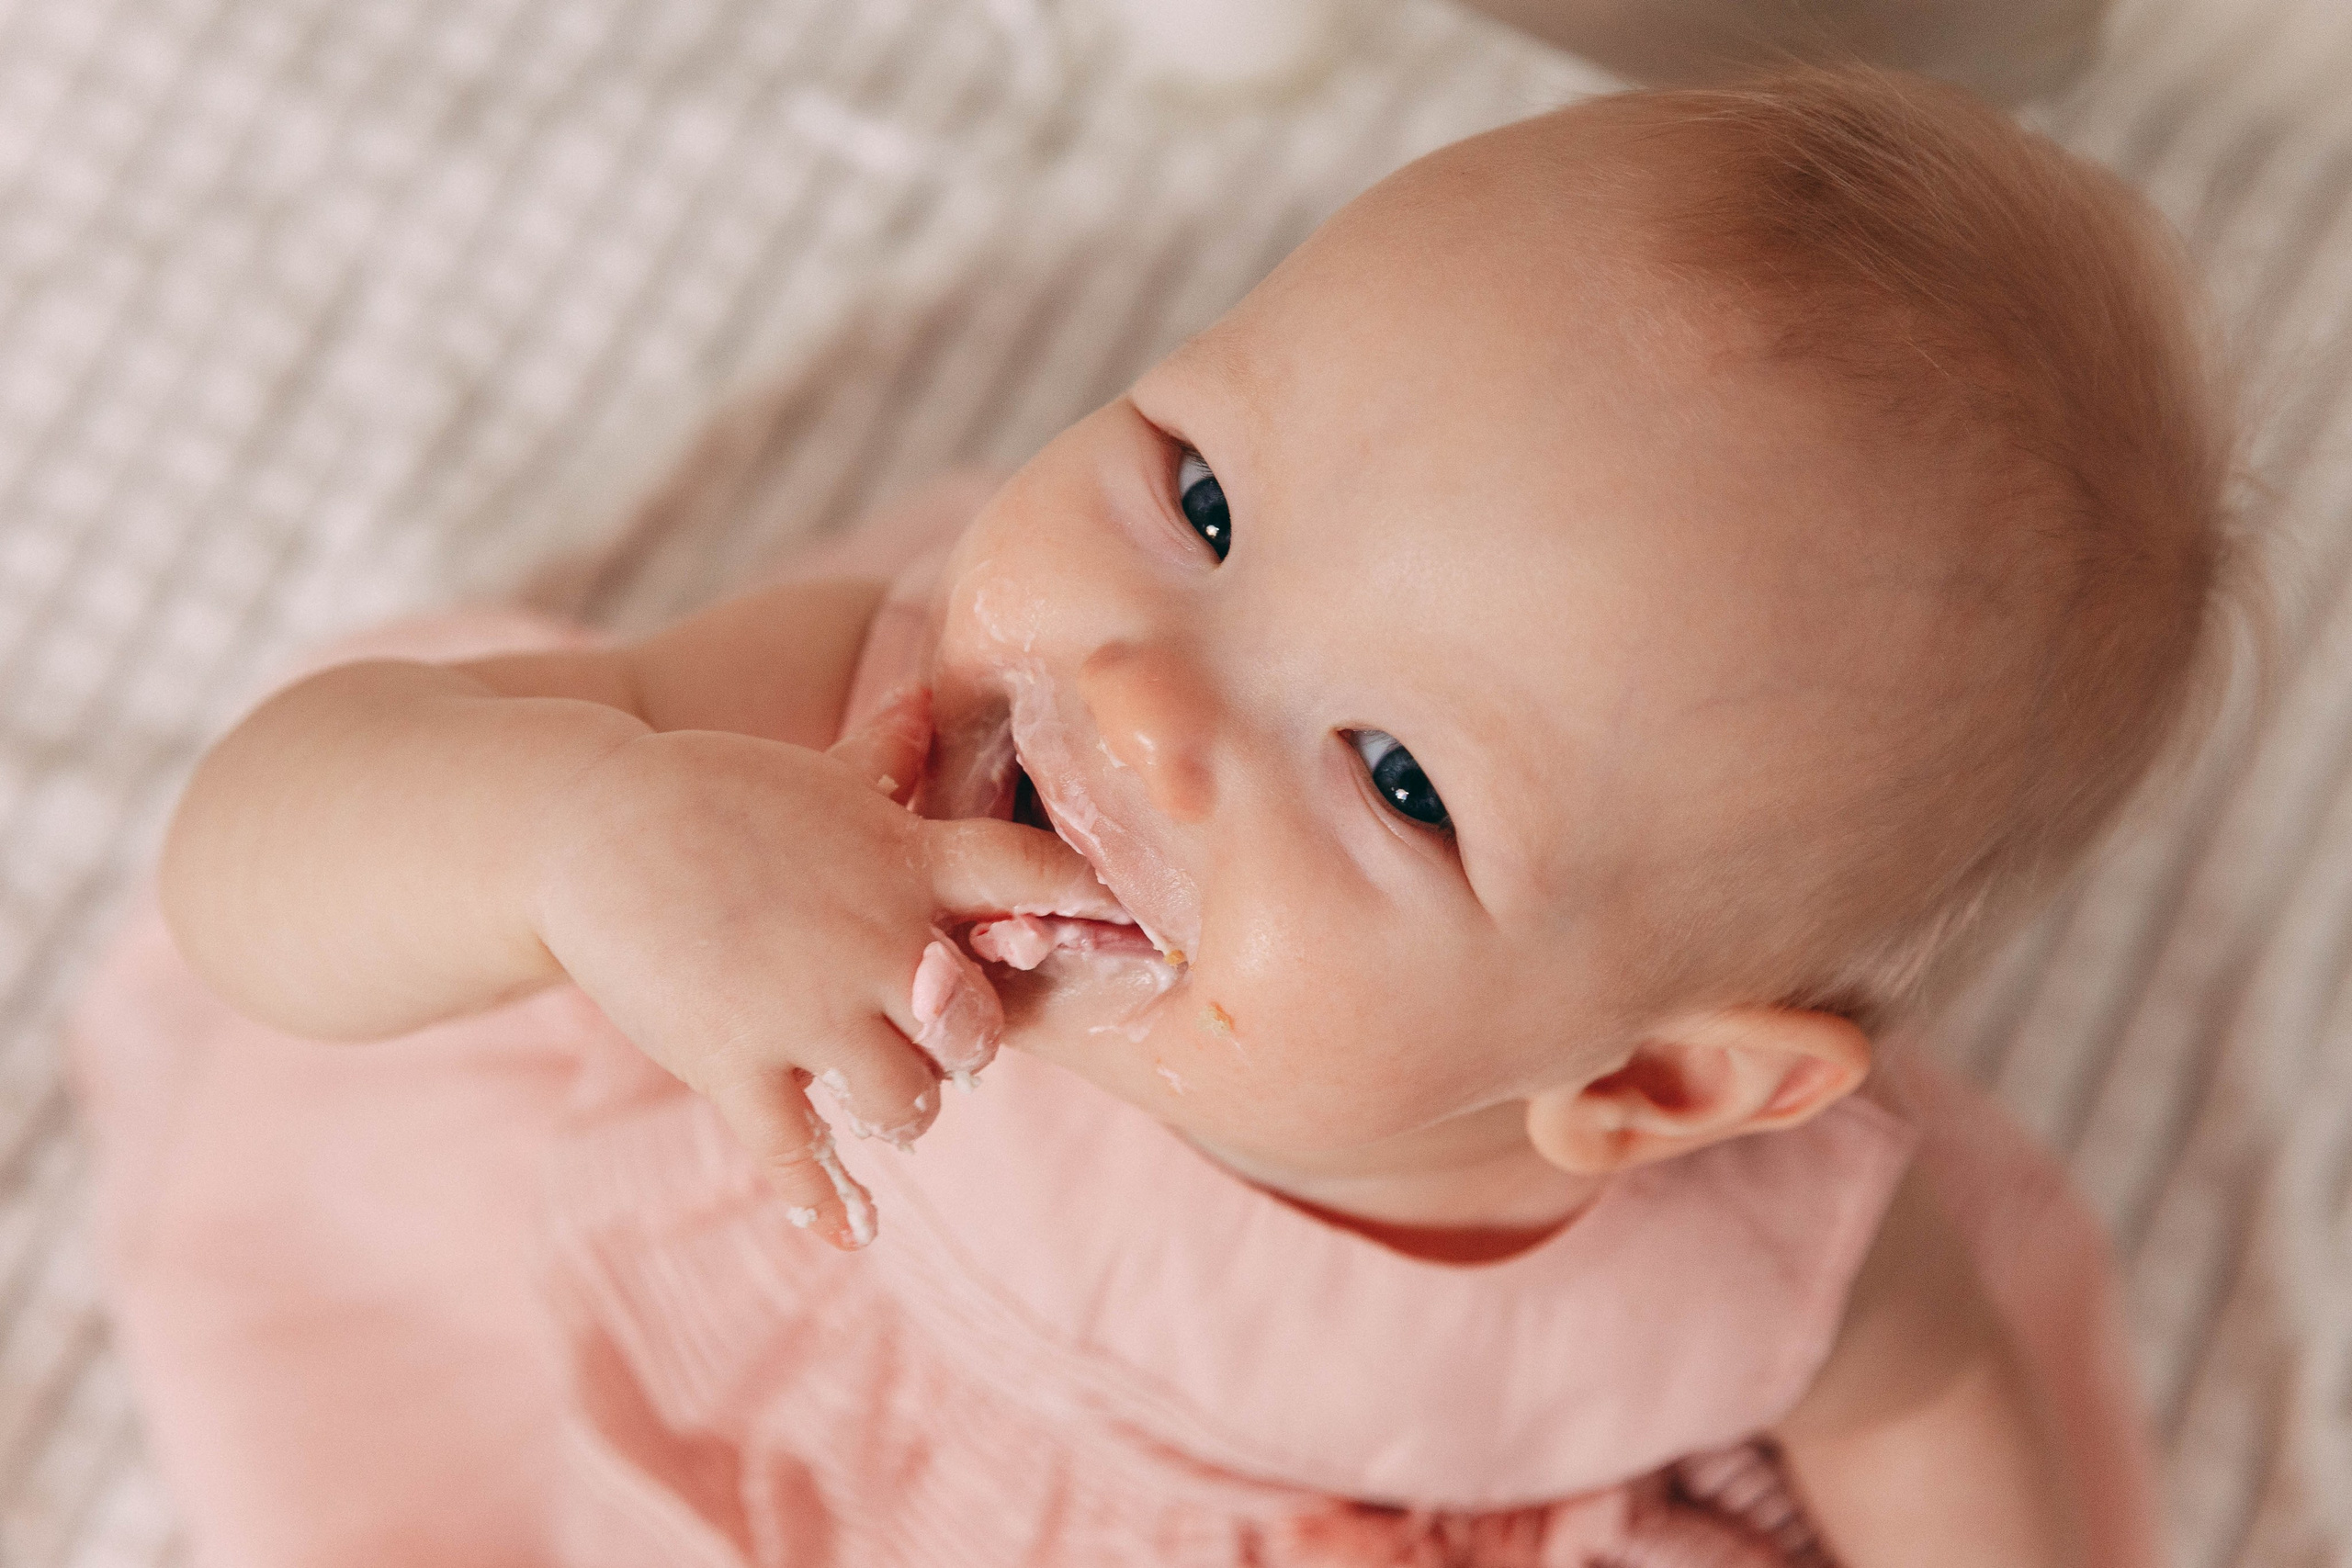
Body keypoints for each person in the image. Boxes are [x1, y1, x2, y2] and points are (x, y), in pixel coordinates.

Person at [74, 65, 2239, 1567]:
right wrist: (580, 831)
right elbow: (255, 855)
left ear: (1658, 1076)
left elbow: (1915, 1399)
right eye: (1200, 495)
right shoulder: (839, 736)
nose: (1136, 687)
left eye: (1394, 778)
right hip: (806, 1458)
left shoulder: (1745, 1251)